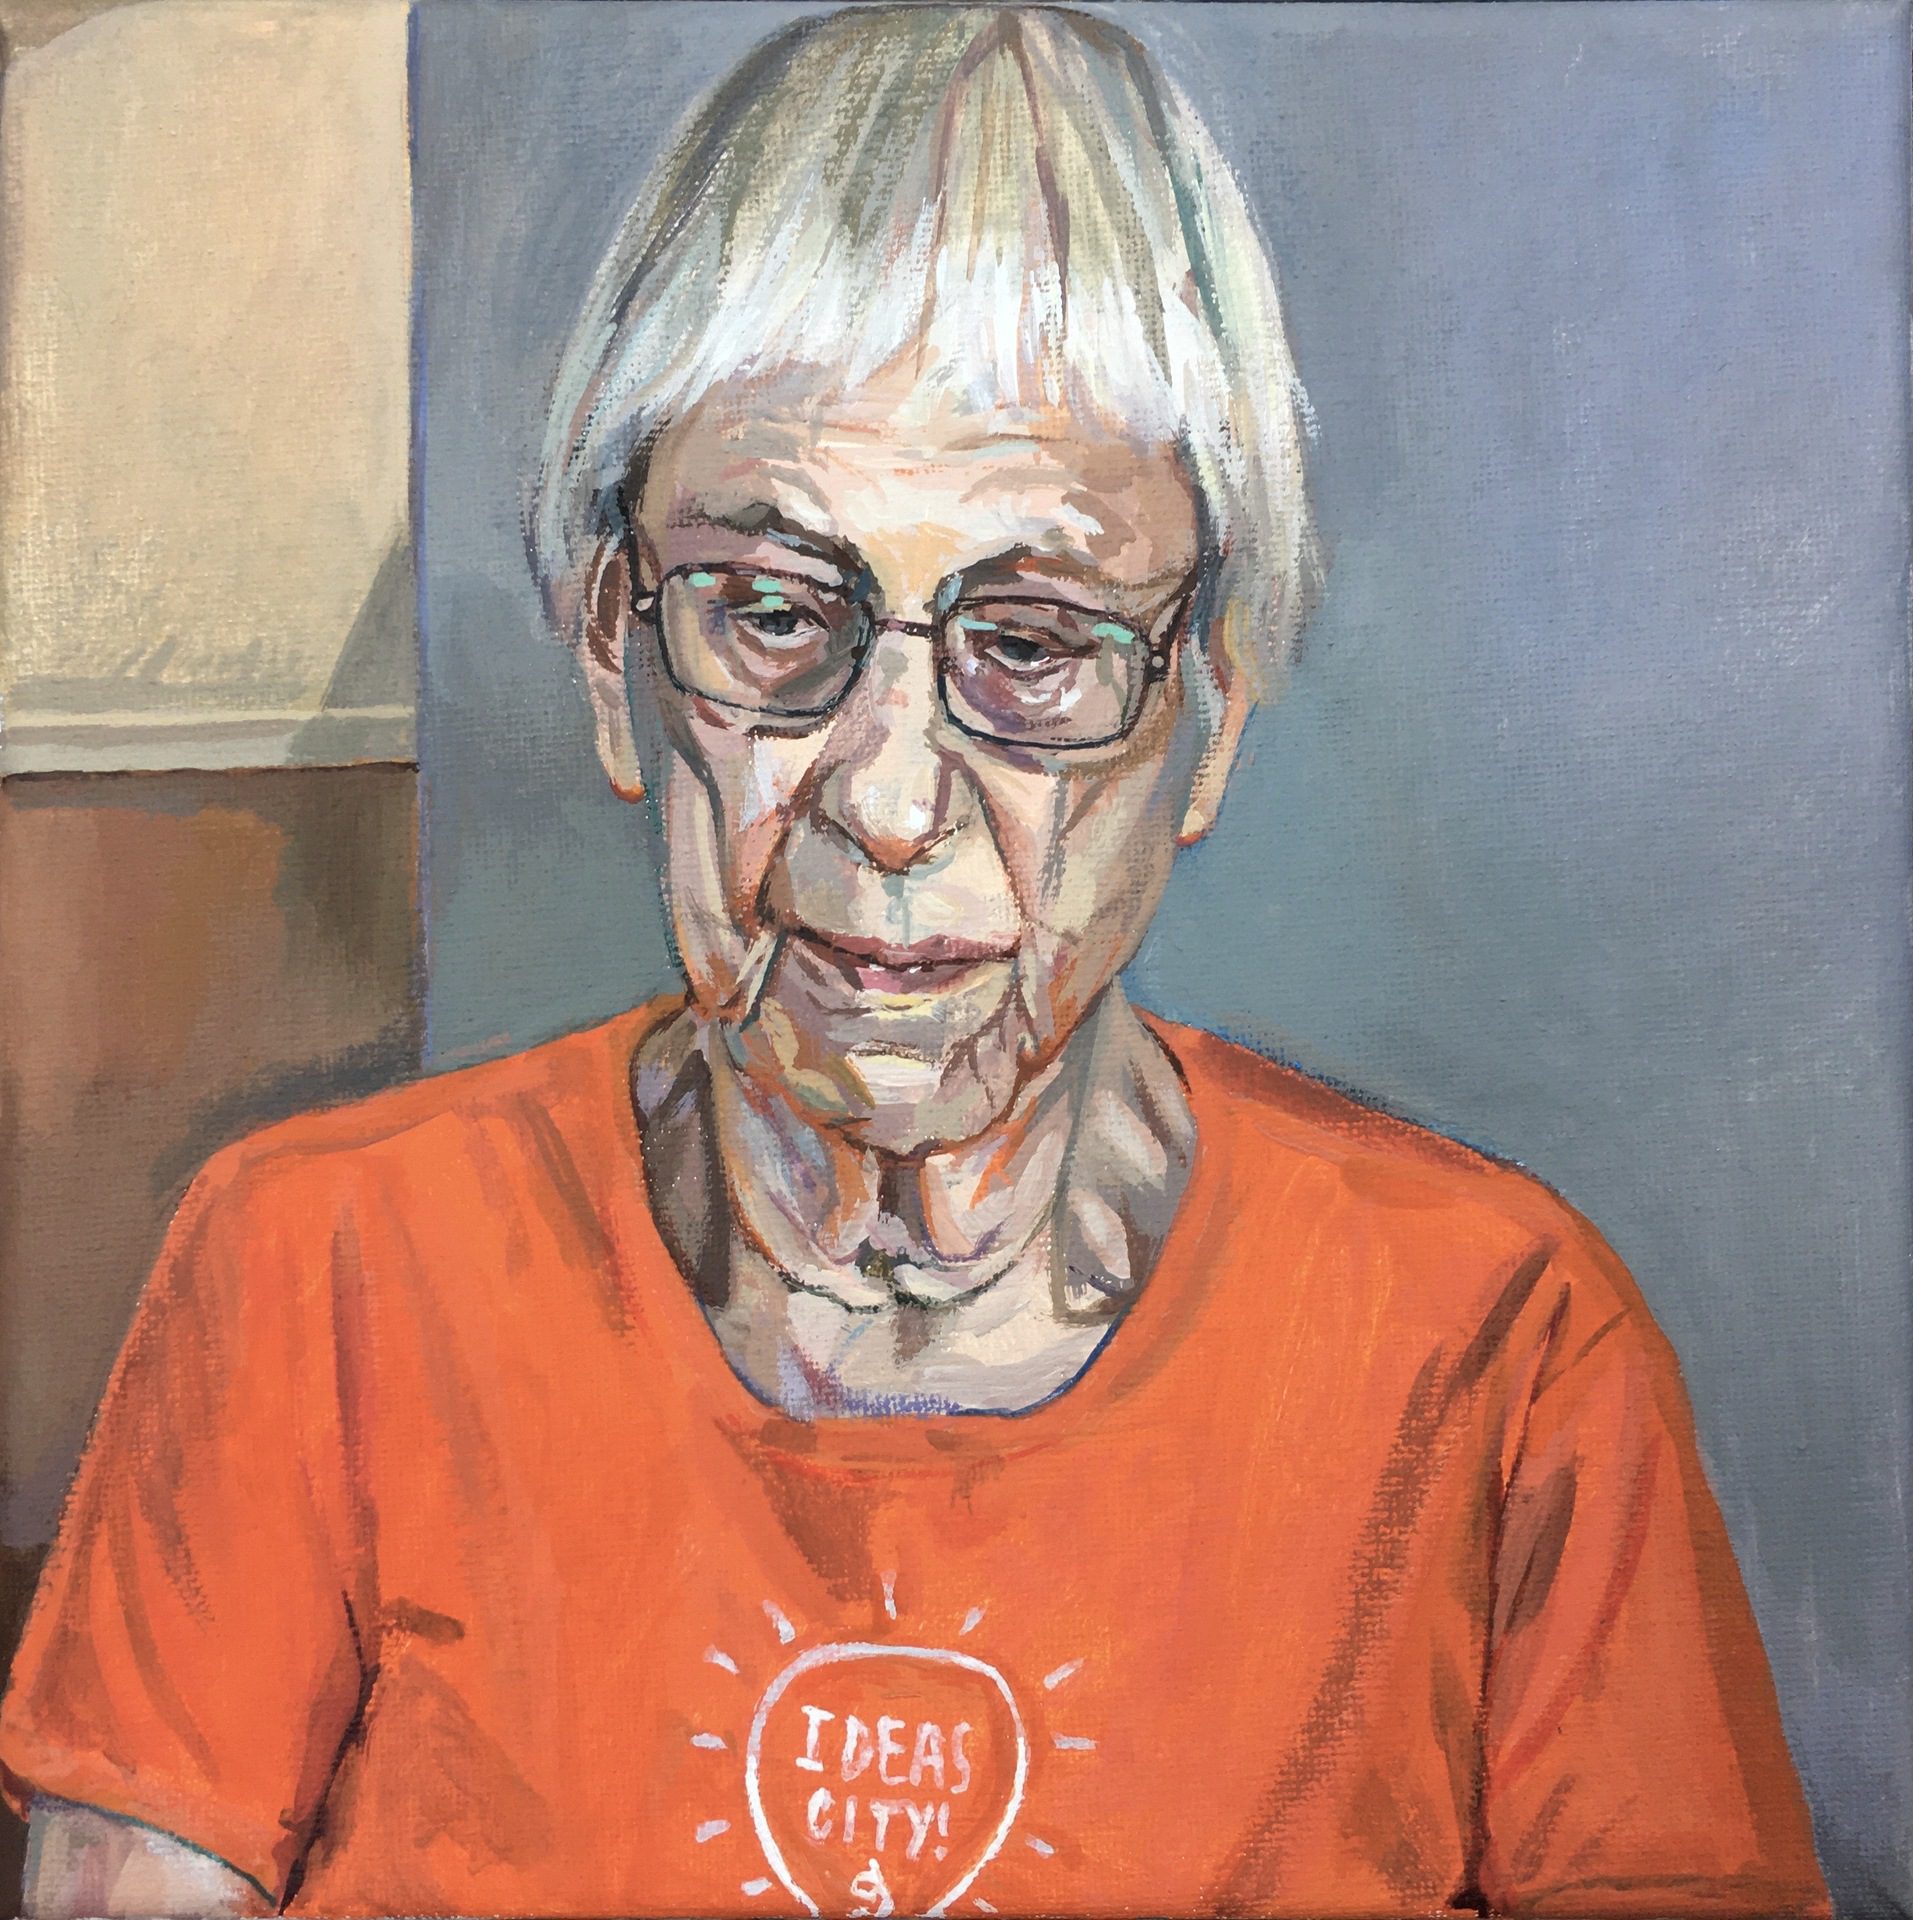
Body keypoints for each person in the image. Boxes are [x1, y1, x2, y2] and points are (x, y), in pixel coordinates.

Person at [2, 6, 1828, 1916]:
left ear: (1205, 718)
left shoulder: (1494, 1350)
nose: (887, 799)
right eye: (771, 611)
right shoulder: (316, 1277)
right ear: (620, 659)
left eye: (1032, 643)